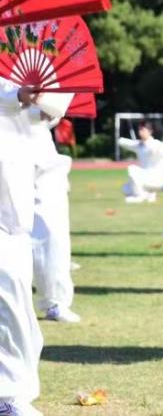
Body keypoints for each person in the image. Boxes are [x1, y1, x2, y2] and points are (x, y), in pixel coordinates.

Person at [0, 78, 44, 416]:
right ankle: (8, 393)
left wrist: (44, 104)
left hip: (15, 196)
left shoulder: (15, 62)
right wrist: (15, 95)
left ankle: (21, 384)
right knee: (9, 288)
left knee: (18, 294)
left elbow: (37, 118)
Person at [28, 95, 79, 324]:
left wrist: (50, 110)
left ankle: (54, 300)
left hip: (40, 155)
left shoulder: (48, 64)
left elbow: (55, 106)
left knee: (53, 229)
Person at [118, 121, 163, 204]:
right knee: (125, 189)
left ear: (150, 131)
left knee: (132, 169)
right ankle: (149, 194)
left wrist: (155, 150)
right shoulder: (139, 145)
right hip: (146, 178)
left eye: (143, 130)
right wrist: (139, 143)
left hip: (158, 179)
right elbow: (122, 141)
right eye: (139, 130)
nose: (140, 132)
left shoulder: (156, 144)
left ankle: (140, 197)